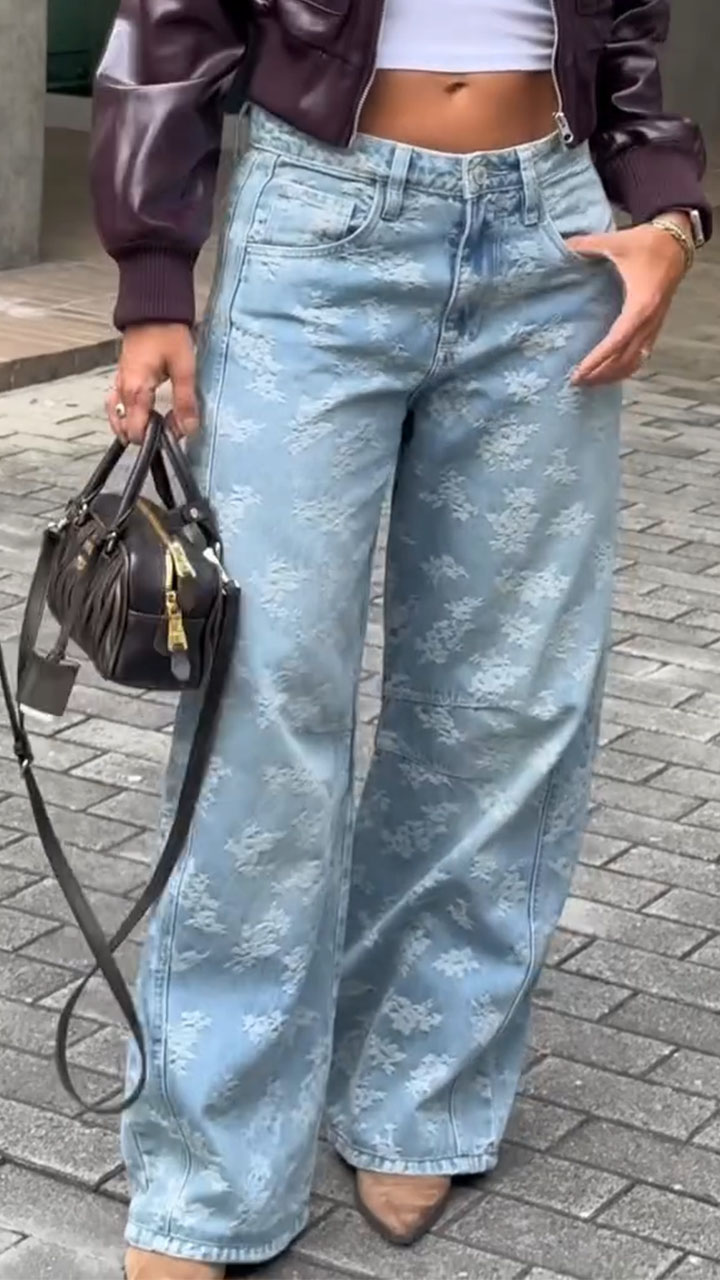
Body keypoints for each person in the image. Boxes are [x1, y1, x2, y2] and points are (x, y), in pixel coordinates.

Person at [91, 1, 709, 1275]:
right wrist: (154, 272)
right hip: (322, 226)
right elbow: (173, 18)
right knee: (263, 703)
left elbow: (631, 29)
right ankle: (210, 1163)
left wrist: (670, 211)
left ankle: (421, 1084)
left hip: (555, 239)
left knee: (505, 701)